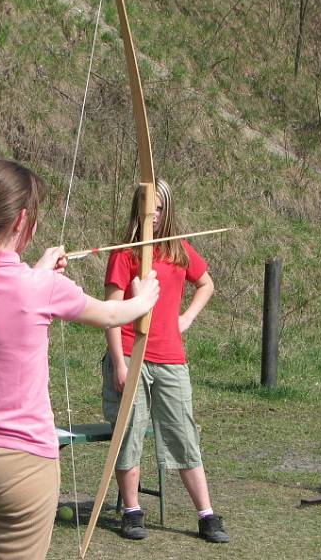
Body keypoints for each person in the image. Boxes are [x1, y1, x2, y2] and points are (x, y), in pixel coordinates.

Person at [0, 159, 159, 560]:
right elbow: (112, 314)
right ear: (22, 220)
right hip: (21, 465)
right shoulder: (40, 287)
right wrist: (146, 296)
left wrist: (40, 269)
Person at [102, 177, 229, 544]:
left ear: (167, 208)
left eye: (158, 206)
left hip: (171, 359)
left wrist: (186, 319)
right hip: (131, 355)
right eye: (147, 206)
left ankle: (206, 514)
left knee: (182, 434)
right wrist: (119, 364)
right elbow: (111, 311)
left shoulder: (177, 250)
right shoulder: (125, 252)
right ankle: (131, 510)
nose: (153, 214)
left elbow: (206, 283)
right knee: (129, 434)